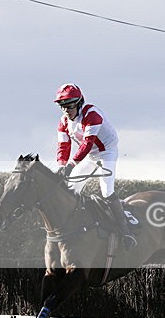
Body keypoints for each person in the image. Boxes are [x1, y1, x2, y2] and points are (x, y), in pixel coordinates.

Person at [54, 83, 137, 250]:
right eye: (62, 106)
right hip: (90, 156)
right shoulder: (63, 121)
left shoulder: (92, 114)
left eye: (69, 105)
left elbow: (86, 143)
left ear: (79, 103)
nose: (66, 110)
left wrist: (71, 164)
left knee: (106, 191)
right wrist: (62, 165)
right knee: (71, 189)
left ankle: (126, 232)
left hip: (106, 152)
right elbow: (63, 146)